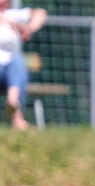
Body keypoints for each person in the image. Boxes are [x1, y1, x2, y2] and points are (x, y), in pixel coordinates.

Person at [0, 0, 46, 131]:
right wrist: (16, 25)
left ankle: (12, 101)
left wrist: (29, 28)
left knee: (17, 61)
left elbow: (40, 13)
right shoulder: (10, 19)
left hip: (10, 72)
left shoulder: (13, 14)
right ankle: (17, 118)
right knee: (19, 68)